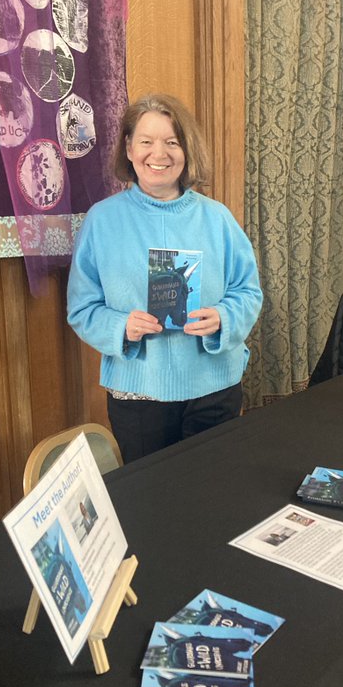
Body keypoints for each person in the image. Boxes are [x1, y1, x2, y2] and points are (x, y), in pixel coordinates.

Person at [67, 93, 262, 463]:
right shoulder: (101, 221)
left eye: (172, 142)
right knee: (152, 494)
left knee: (214, 490)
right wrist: (121, 326)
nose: (159, 153)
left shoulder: (217, 218)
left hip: (214, 386)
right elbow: (82, 308)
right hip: (139, 392)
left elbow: (247, 292)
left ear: (186, 150)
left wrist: (224, 317)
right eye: (146, 141)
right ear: (128, 148)